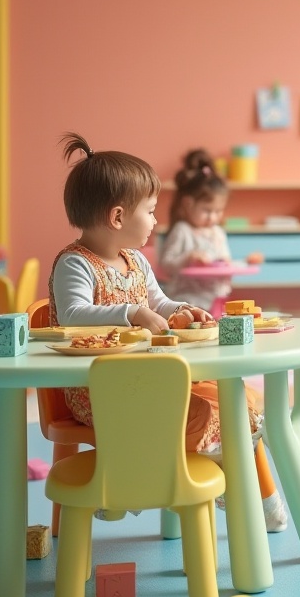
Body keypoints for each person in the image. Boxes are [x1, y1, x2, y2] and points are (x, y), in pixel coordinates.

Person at [49, 131, 287, 532]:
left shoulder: (137, 262)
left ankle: (250, 492)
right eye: (152, 211)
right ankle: (139, 481)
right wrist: (134, 312)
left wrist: (183, 310)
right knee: (199, 412)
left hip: (152, 378)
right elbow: (72, 314)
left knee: (236, 398)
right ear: (118, 217)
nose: (157, 220)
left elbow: (159, 303)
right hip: (98, 391)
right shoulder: (76, 264)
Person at [158, 148, 233, 311]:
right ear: (188, 204)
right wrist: (188, 258)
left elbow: (225, 261)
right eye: (207, 211)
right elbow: (165, 265)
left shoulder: (218, 233)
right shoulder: (182, 231)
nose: (213, 217)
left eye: (218, 211)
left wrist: (231, 265)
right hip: (185, 301)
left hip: (215, 300)